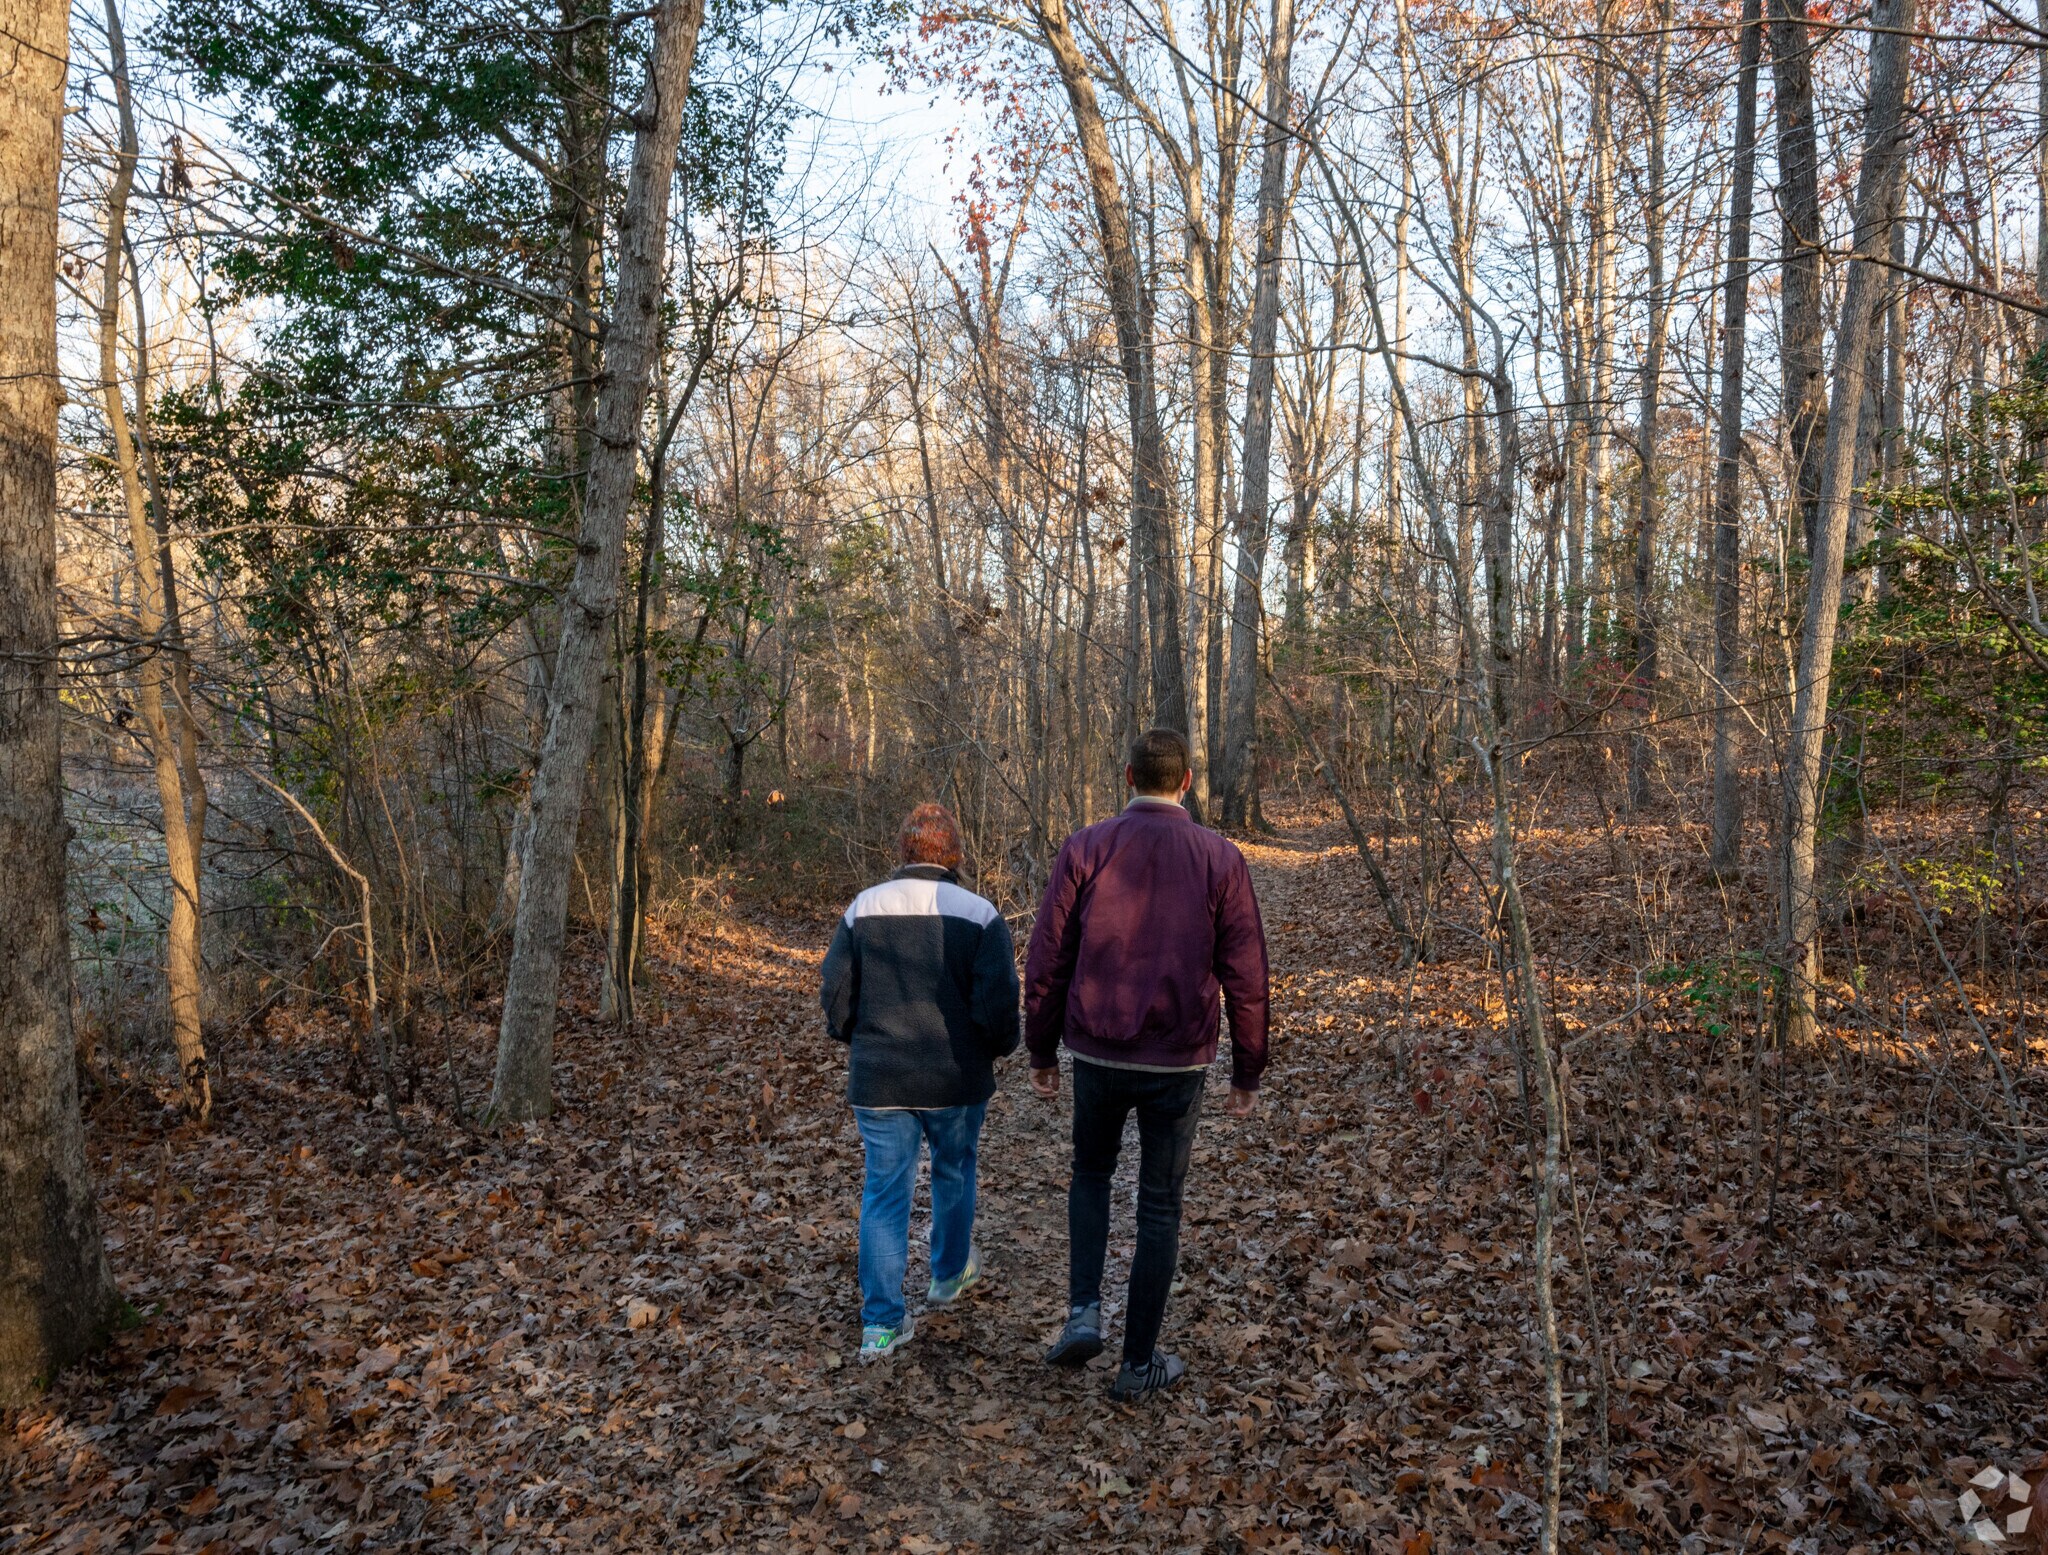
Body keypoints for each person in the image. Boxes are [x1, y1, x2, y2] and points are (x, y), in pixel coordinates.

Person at [1023, 727, 1270, 1401]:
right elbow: (1245, 973)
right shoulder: (1220, 858)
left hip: (1098, 1050)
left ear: (1128, 777)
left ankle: (1082, 1312)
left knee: (1091, 1173)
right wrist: (1248, 1069)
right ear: (1186, 780)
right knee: (1159, 1204)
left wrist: (1041, 1048)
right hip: (1178, 1061)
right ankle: (1136, 1362)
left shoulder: (1087, 847)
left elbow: (1047, 958)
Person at [820, 803, 1020, 1362]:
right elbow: (1000, 1005)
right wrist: (998, 1049)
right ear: (955, 854)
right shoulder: (979, 915)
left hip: (880, 1078)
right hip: (955, 1077)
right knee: (954, 1170)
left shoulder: (864, 908)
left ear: (902, 852)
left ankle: (880, 1326)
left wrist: (856, 1039)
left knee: (885, 1192)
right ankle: (948, 1275)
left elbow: (835, 994)